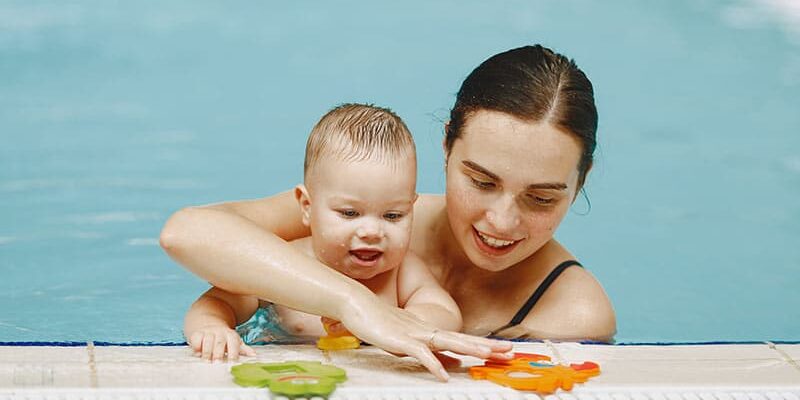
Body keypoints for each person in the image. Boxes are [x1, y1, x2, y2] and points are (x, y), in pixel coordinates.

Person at [160, 44, 615, 381]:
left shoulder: (573, 311)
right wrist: (354, 303)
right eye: (481, 182)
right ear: (445, 148)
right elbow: (186, 234)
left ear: (583, 180)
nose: (500, 221)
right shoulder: (361, 213)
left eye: (541, 198)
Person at [176, 104, 510, 378]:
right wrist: (212, 327)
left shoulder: (403, 272)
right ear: (307, 207)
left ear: (412, 208)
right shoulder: (286, 263)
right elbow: (218, 302)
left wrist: (393, 323)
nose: (371, 232)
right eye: (350, 214)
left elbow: (445, 314)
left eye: (393, 216)